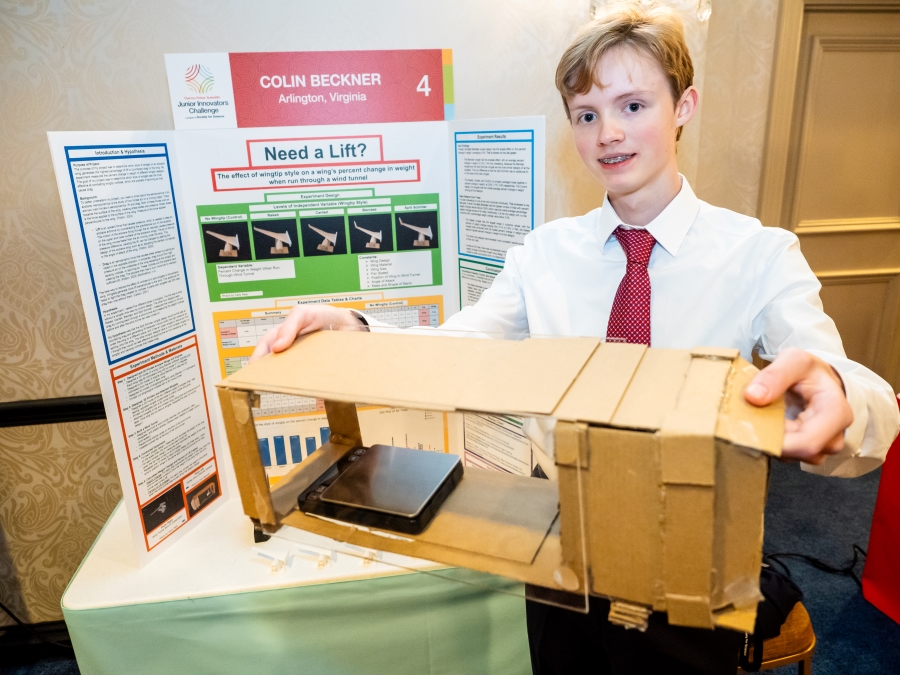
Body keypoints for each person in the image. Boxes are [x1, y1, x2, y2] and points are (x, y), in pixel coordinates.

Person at [252, 3, 899, 672]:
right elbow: (457, 347)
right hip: (560, 544)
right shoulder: (542, 254)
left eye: (633, 105)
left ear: (684, 105)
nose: (608, 134)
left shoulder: (760, 253)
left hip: (693, 556)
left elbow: (855, 391)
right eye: (587, 115)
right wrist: (355, 330)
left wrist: (841, 395)